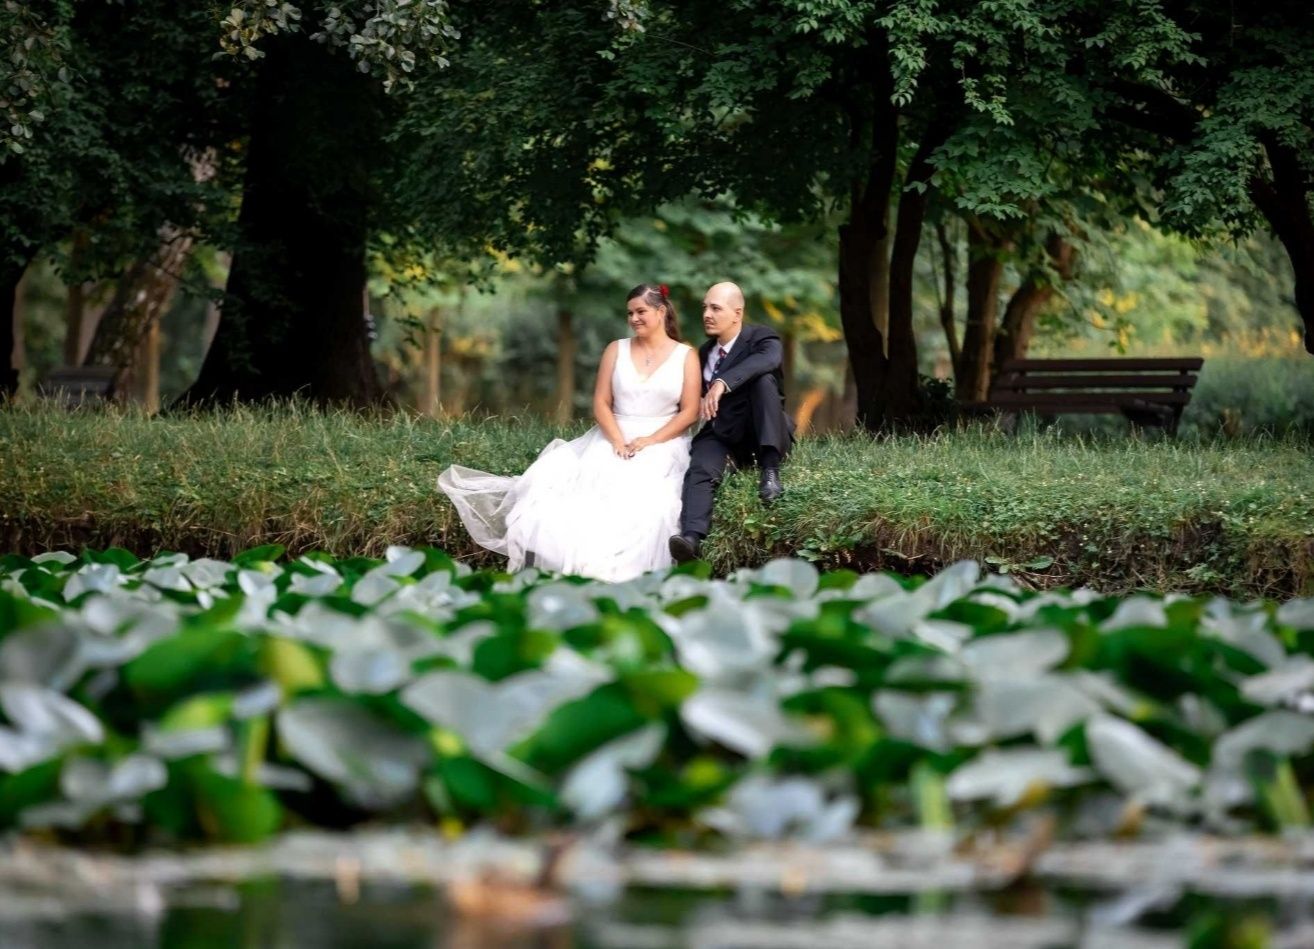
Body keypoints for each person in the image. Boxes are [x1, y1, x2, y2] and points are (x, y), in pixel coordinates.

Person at [438, 284, 701, 582]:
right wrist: (616, 440)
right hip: (613, 436)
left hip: (661, 440)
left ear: (661, 311)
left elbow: (690, 411)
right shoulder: (616, 349)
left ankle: (620, 577)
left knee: (647, 504)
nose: (634, 318)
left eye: (641, 311)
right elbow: (601, 402)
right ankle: (570, 573)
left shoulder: (686, 356)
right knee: (574, 501)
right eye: (629, 313)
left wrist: (650, 441)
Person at [668, 281, 793, 564]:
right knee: (700, 466)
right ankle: (691, 538)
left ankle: (770, 472)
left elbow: (768, 360)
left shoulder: (762, 338)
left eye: (715, 308)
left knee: (763, 381)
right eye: (704, 308)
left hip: (762, 428)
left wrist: (723, 382)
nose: (707, 315)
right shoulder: (702, 354)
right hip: (722, 431)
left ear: (737, 313)